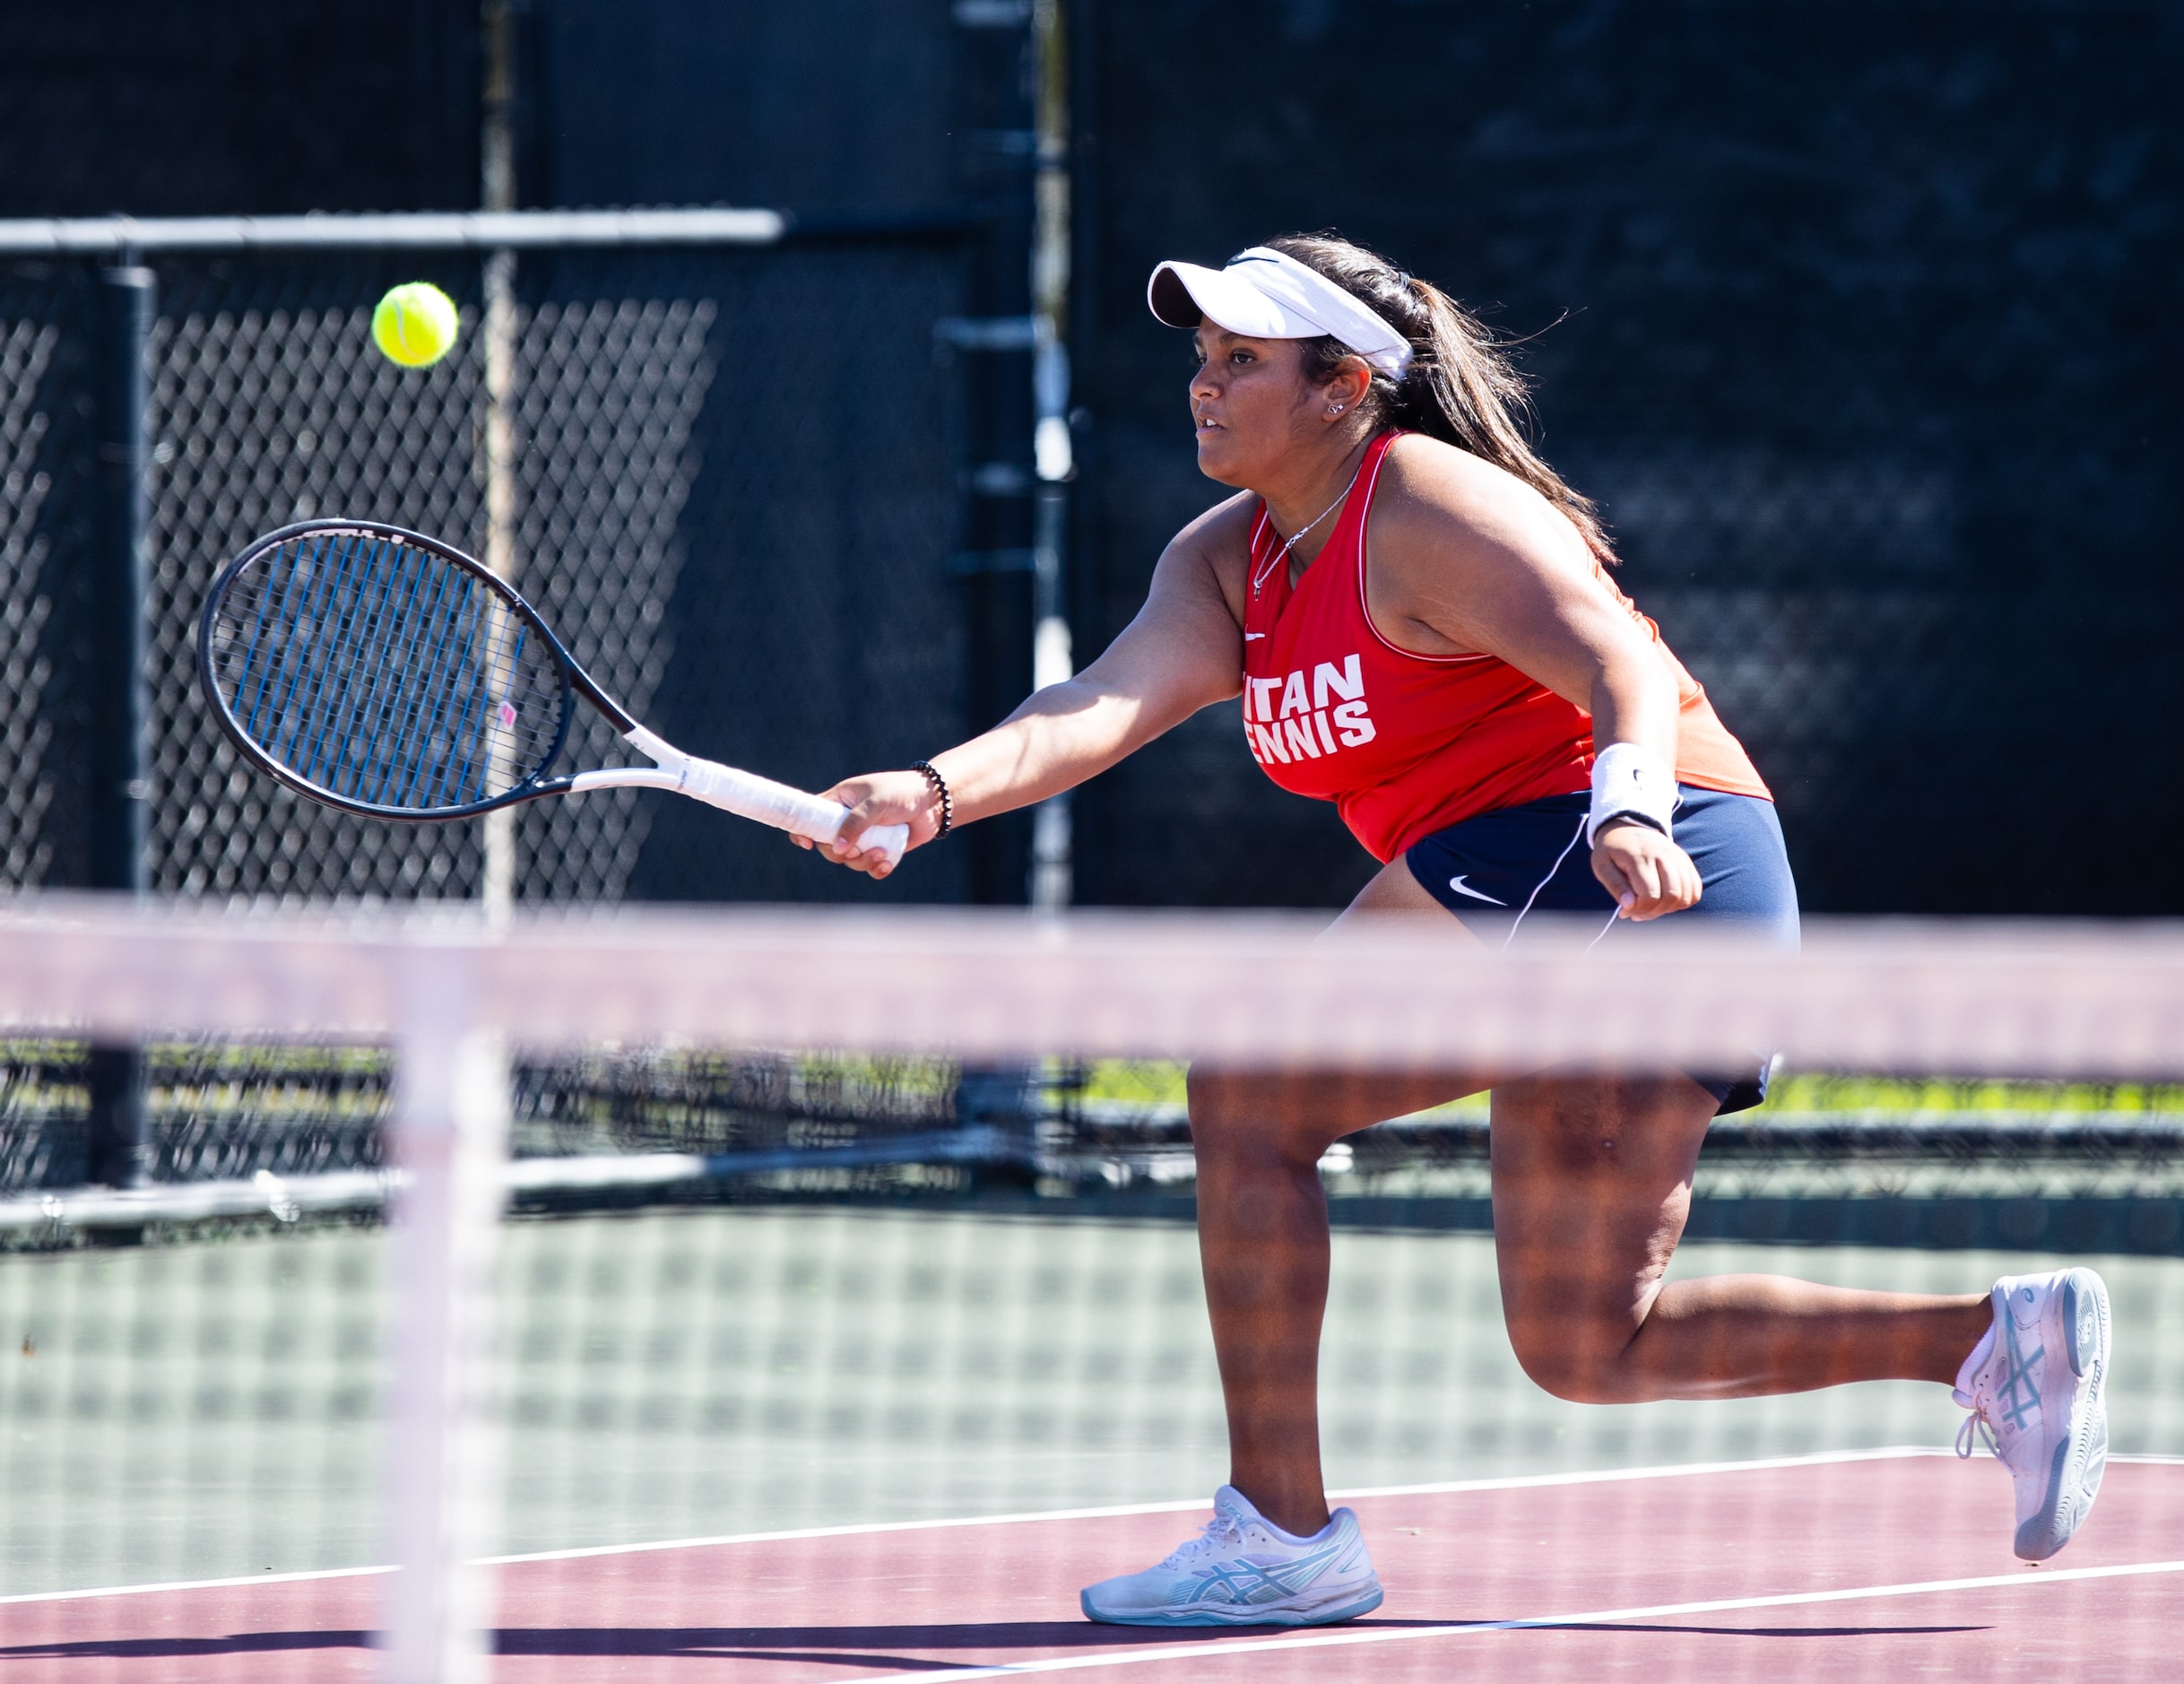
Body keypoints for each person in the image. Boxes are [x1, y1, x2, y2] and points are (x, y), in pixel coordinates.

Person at [802, 234, 2111, 1627]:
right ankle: (1996, 1337)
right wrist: (932, 792)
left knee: (1249, 1087)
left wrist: (1628, 812)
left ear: (1343, 386)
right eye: (1201, 355)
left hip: (1640, 859)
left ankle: (1283, 1535)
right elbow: (1100, 703)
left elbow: (1613, 657)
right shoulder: (1229, 562)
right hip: (1537, 876)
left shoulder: (1422, 501)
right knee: (1587, 1342)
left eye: (1241, 358)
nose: (1203, 382)